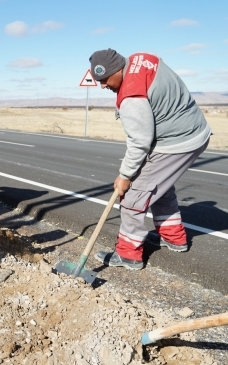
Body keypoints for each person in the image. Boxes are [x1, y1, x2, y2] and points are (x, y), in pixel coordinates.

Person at [89, 49, 211, 270]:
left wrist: (125, 175)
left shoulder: (131, 95)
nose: (103, 86)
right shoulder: (142, 59)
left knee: (134, 195)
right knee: (158, 187)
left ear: (117, 70)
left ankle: (129, 254)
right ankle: (174, 238)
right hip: (194, 131)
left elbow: (140, 141)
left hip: (176, 141)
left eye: (105, 80)